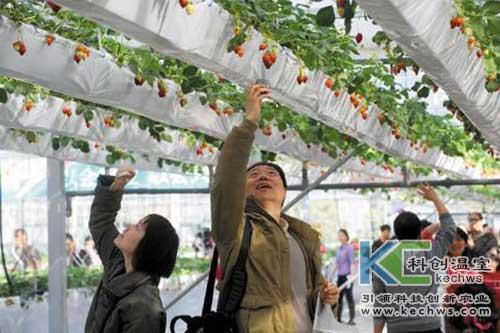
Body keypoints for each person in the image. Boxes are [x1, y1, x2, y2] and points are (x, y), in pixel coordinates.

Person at [211, 84, 339, 332]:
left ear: (284, 192)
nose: (263, 177)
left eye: (272, 174)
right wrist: (249, 122)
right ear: (242, 189)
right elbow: (226, 184)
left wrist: (323, 297)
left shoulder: (302, 238)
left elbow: (301, 298)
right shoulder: (237, 230)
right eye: (254, 174)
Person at [85, 166, 179, 333]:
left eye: (138, 227)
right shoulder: (117, 264)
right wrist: (114, 188)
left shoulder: (144, 308)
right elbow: (101, 223)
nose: (128, 227)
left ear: (149, 246)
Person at [373, 184, 456, 333]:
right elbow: (449, 228)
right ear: (420, 231)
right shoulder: (432, 252)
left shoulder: (383, 261)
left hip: (397, 328)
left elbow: (380, 302)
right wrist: (435, 198)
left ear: (396, 233)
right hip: (430, 327)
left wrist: (377, 331)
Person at [332, 229, 356, 325]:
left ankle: (351, 319)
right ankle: (338, 319)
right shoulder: (339, 249)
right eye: (339, 235)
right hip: (340, 276)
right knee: (339, 297)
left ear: (346, 236)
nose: (340, 237)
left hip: (347, 276)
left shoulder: (349, 248)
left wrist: (351, 277)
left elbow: (352, 263)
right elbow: (337, 263)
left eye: (342, 235)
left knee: (349, 297)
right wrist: (331, 275)